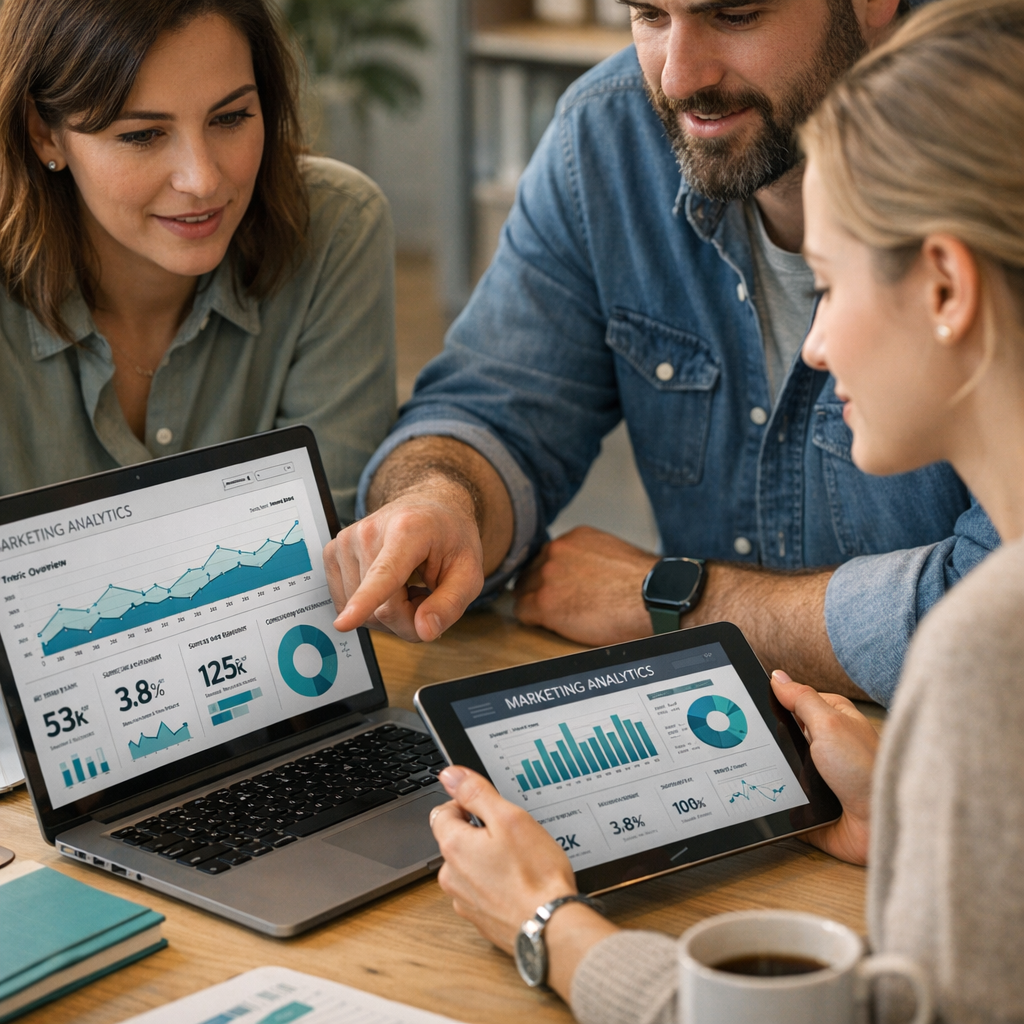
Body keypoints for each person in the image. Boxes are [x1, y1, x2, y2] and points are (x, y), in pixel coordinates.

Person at [428, 2, 1024, 1021]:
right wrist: (925, 808)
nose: (816, 343)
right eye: (646, 13)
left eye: (827, 286)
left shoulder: (985, 647)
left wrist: (549, 928)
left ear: (942, 285)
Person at [324, 0, 997, 710]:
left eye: (735, 15)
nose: (679, 78)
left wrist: (676, 601)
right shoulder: (608, 136)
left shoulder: (995, 165)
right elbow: (493, 406)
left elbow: (997, 626)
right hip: (727, 741)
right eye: (648, 14)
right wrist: (442, 502)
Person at [0, 0, 395, 522]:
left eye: (230, 118)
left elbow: (338, 556)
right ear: (44, 133)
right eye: (142, 134)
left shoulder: (336, 228)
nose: (203, 179)